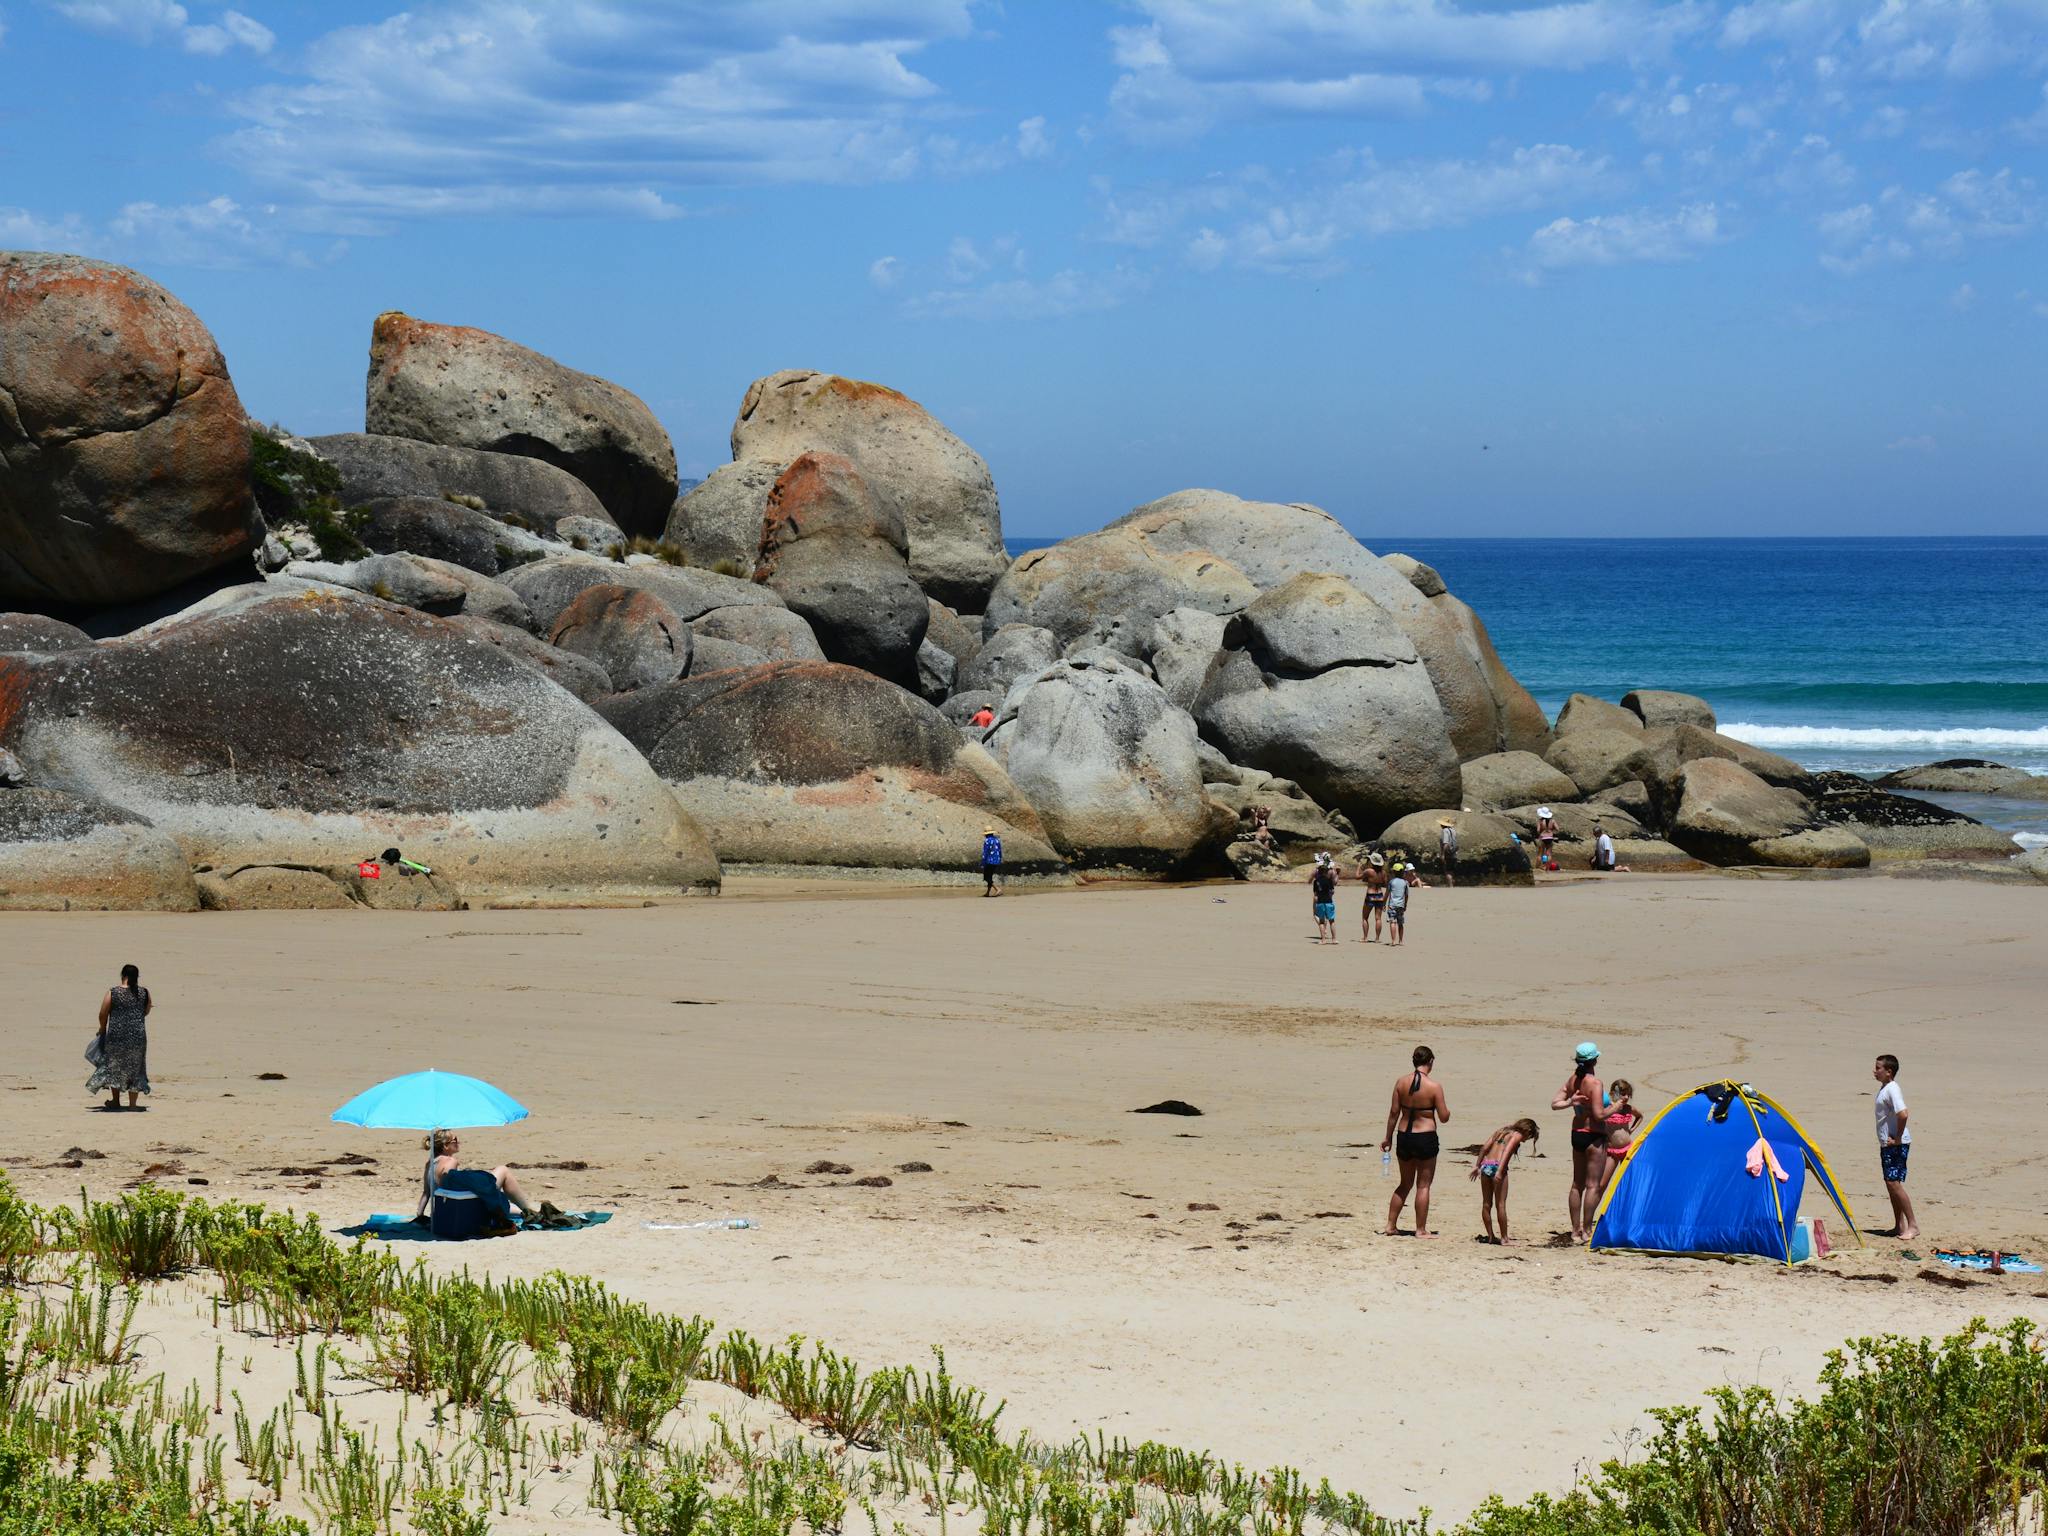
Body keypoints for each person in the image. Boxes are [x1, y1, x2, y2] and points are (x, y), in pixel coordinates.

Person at [1380, 1046, 1449, 1236]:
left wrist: (1388, 1137)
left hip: (1404, 1136)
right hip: (1425, 1137)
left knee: (1405, 1183)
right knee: (1423, 1185)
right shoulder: (1434, 1087)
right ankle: (1420, 1229)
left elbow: (1394, 1112)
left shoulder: (1401, 1082)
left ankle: (1390, 1225)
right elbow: (1444, 1117)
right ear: (1431, 1062)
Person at [417, 1130, 541, 1229]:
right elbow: (449, 1179)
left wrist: (420, 1215)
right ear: (445, 1146)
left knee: (505, 1203)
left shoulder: (430, 1163)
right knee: (503, 1170)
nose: (458, 1142)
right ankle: (529, 1211)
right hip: (460, 1204)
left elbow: (426, 1193)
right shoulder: (450, 1161)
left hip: (444, 1208)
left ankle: (526, 1211)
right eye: (455, 1140)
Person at [1550, 1042, 1606, 1242]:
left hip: (1577, 1132)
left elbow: (1555, 1104)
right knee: (1593, 1185)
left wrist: (1570, 1102)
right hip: (1594, 1134)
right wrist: (1616, 1107)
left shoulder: (1573, 1080)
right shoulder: (1595, 1083)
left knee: (1577, 1184)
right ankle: (1587, 1230)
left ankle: (1575, 1230)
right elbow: (1599, 1114)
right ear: (1594, 1060)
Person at [89, 963, 152, 1111]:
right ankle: (132, 1104)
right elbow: (147, 1010)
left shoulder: (113, 992)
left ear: (122, 975)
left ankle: (116, 1101)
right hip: (138, 1035)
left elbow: (103, 1013)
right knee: (136, 1067)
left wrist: (102, 1028)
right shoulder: (144, 992)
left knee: (114, 1066)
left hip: (116, 1035)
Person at [1471, 1118, 1540, 1244]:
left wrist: (1477, 1165)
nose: (1526, 1140)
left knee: (1486, 1204)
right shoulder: (1517, 1135)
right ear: (1527, 1130)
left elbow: (1485, 1148)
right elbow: (1507, 1151)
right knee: (1501, 1204)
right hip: (1498, 1166)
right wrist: (1499, 1171)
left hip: (1486, 1165)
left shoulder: (1501, 1131)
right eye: (1529, 1136)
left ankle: (1491, 1236)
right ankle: (1504, 1238)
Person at [1873, 1054, 1918, 1239]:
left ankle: (1913, 1225)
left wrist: (1898, 1138)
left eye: (1878, 1068)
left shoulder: (1892, 1089)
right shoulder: (1885, 1088)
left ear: (1889, 1072)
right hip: (1887, 1144)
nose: (1875, 1071)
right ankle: (1899, 1225)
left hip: (1896, 1144)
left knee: (1894, 1183)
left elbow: (1903, 1114)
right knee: (1890, 1184)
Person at [1591, 1079, 1643, 1202]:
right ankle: (1591, 1215)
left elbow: (1640, 1116)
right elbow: (1596, 1119)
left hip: (1628, 1149)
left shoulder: (1628, 1108)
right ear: (1613, 1093)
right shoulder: (1608, 1108)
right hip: (1611, 1151)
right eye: (1623, 1094)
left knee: (1629, 1183)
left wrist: (1631, 1130)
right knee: (1602, 1184)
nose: (1626, 1097)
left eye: (1628, 1095)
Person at [1386, 861, 1424, 947]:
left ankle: (1393, 941)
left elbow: (1387, 893)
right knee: (1400, 923)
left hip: (1392, 905)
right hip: (1401, 905)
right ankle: (1401, 941)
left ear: (1394, 872)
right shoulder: (1405, 882)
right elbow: (1406, 895)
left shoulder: (1391, 882)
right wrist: (1405, 904)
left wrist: (1384, 903)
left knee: (1392, 922)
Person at [1358, 852, 1389, 942]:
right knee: (1378, 918)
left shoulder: (1369, 871)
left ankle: (1365, 937)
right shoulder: (1383, 873)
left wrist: (1359, 867)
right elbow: (1385, 884)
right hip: (1379, 895)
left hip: (1370, 894)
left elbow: (1357, 877)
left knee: (1365, 917)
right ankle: (1377, 938)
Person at [1309, 852, 1339, 944]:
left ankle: (1323, 940)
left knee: (1321, 921)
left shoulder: (1316, 881)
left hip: (1320, 902)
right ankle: (1334, 939)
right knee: (1332, 921)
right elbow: (1332, 890)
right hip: (1329, 901)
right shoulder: (1329, 880)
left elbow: (1315, 893)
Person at [980, 825, 1003, 897]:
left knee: (986, 877)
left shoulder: (987, 841)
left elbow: (985, 852)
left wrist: (983, 862)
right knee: (990, 876)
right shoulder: (997, 840)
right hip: (996, 860)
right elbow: (1000, 851)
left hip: (989, 861)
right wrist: (1000, 859)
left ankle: (997, 889)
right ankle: (988, 892)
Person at [1436, 817, 1458, 887]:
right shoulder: (1453, 830)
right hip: (1454, 853)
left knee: (1447, 870)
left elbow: (1445, 843)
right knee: (1451, 870)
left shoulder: (1445, 831)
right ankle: (1451, 884)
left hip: (1448, 853)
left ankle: (1450, 886)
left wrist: (1442, 854)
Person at [1535, 807, 1559, 872]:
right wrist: (1551, 832)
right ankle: (1547, 868)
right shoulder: (1552, 821)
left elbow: (1538, 830)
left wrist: (1541, 832)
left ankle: (1538, 868)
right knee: (1549, 854)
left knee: (1540, 854)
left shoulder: (1540, 821)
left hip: (1542, 837)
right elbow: (1557, 829)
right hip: (1550, 838)